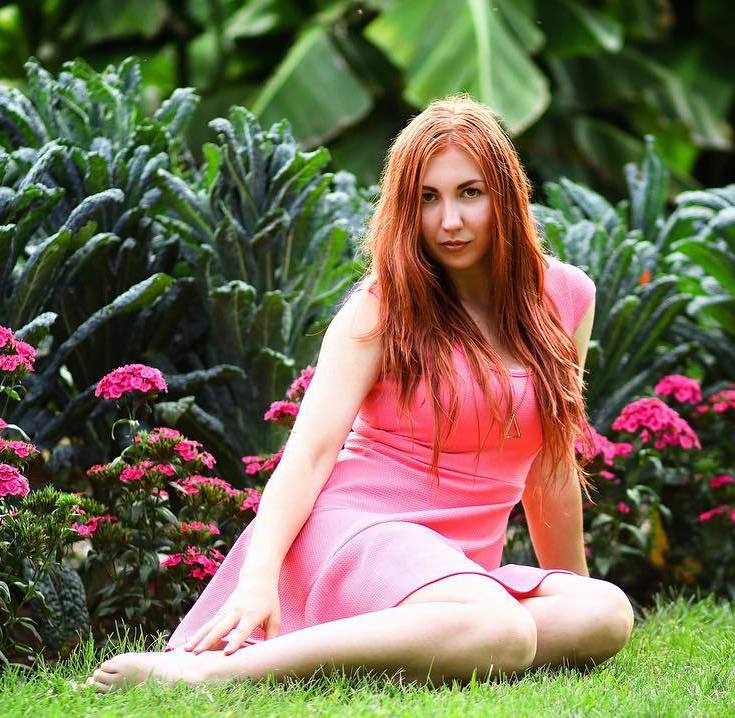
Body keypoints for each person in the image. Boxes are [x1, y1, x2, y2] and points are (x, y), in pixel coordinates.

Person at [85, 94, 634, 693]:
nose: (449, 221)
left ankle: (449, 633)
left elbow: (550, 465)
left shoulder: (566, 297)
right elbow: (310, 453)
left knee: (604, 612)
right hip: (362, 531)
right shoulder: (383, 305)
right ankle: (213, 676)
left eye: (469, 193)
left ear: (505, 195)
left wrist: (571, 586)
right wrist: (257, 578)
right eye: (428, 198)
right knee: (504, 631)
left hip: (455, 564)